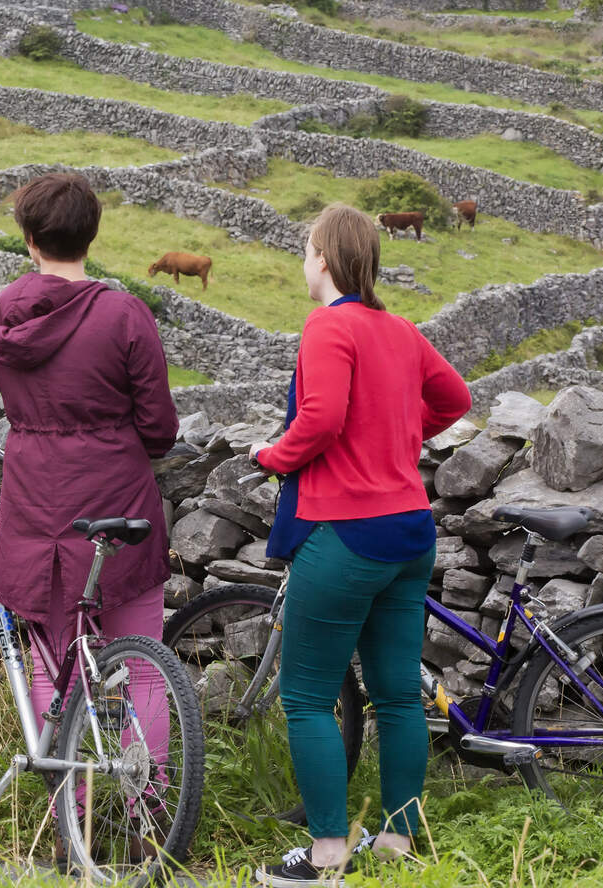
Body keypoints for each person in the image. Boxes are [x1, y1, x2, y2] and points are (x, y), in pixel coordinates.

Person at [0, 172, 179, 844]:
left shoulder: (1, 315)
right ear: (89, 236)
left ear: (31, 240)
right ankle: (148, 811)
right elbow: (160, 431)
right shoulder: (125, 314)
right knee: (144, 662)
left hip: (37, 509)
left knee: (52, 659)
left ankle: (70, 811)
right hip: (119, 500)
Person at [248, 204, 471, 886]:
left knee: (310, 697)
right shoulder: (400, 330)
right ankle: (397, 847)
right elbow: (455, 397)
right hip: (410, 530)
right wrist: (399, 432)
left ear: (323, 259)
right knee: (399, 694)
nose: (303, 261)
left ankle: (324, 860)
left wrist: (271, 455)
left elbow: (321, 418)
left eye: (306, 249)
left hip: (346, 532)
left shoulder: (328, 324)